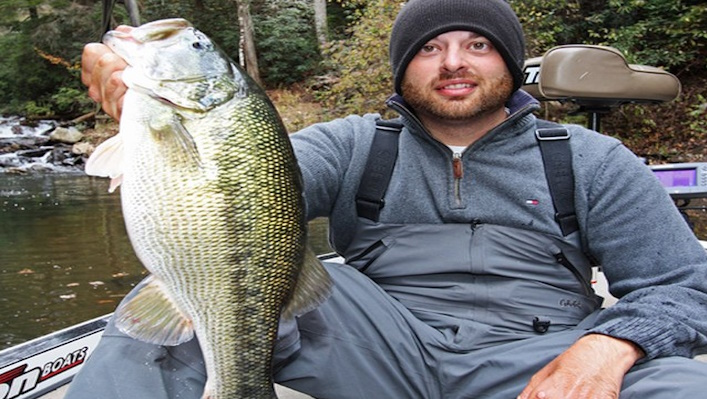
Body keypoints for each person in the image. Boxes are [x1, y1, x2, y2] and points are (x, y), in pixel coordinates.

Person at [70, 0, 707, 398]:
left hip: (542, 356)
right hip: (373, 351)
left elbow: (684, 285)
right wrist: (157, 120)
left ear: (510, 65)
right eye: (430, 48)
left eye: (477, 45)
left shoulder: (590, 159)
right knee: (173, 319)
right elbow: (238, 182)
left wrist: (609, 347)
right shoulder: (350, 145)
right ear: (402, 68)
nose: (453, 62)